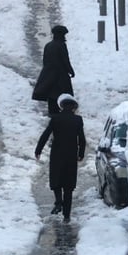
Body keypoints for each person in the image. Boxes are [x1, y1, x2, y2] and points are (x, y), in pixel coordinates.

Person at [34, 93, 85, 223]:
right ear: (73, 108)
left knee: (56, 179)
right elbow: (82, 139)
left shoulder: (55, 118)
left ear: (61, 106)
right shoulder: (78, 120)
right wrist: (81, 154)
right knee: (68, 185)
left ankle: (58, 201)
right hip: (71, 155)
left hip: (57, 154)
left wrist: (38, 150)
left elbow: (45, 135)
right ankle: (67, 215)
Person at [31, 25, 75, 115]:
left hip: (49, 74)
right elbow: (65, 60)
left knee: (51, 95)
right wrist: (71, 71)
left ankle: (52, 112)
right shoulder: (61, 45)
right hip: (60, 76)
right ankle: (63, 113)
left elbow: (45, 60)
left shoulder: (48, 45)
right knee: (62, 94)